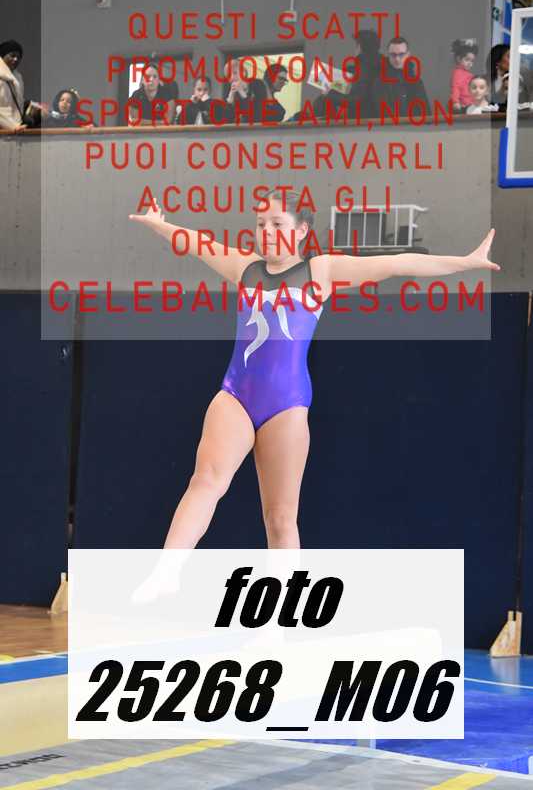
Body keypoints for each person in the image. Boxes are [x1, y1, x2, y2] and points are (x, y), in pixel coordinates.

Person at [128, 190, 499, 599]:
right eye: (261, 225)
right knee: (206, 480)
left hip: (286, 405)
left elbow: (397, 263)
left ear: (301, 230)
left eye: (278, 224)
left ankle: (283, 612)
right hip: (235, 395)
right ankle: (167, 571)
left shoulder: (321, 271)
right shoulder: (245, 267)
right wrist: (159, 224)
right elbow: (198, 243)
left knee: (280, 518)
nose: (266, 233)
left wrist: (465, 262)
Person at [312, 29, 380, 120]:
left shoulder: (363, 69)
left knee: (322, 100)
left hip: (361, 121)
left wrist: (329, 95)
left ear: (359, 47)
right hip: (378, 119)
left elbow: (357, 99)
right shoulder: (380, 66)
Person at [372, 36, 429, 117]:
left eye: (401, 54)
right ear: (388, 54)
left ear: (408, 54)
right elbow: (384, 115)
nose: (397, 59)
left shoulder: (416, 82)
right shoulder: (380, 82)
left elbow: (426, 113)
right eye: (393, 55)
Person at [0, 40, 25, 130]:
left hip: (15, 128)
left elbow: (18, 104)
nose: (16, 59)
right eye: (12, 55)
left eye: (18, 57)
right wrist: (12, 126)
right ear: (2, 56)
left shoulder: (17, 77)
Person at [450, 39, 478, 112]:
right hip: (464, 105)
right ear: (459, 59)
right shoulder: (457, 73)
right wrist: (455, 102)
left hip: (472, 104)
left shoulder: (470, 75)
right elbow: (455, 88)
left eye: (472, 61)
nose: (470, 63)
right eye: (467, 60)